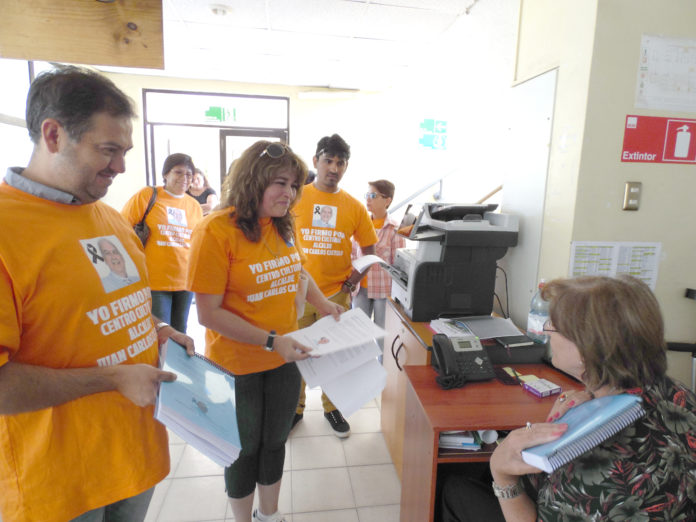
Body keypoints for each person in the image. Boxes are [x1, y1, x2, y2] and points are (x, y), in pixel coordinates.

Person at [0, 66, 194, 522]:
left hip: (133, 457)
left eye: (124, 151)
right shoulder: (7, 231)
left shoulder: (109, 219)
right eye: (108, 150)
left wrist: (159, 329)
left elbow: (110, 309)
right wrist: (111, 379)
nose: (121, 167)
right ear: (53, 135)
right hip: (59, 484)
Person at [441, 275, 696, 522]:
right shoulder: (680, 394)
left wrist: (502, 476)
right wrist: (594, 396)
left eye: (554, 326)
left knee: (455, 487)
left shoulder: (591, 466)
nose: (546, 331)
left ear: (586, 349)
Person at [187, 140, 342, 522]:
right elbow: (208, 313)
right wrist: (273, 341)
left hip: (285, 357)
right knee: (242, 448)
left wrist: (323, 304)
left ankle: (268, 515)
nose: (289, 193)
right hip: (236, 364)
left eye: (293, 185)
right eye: (280, 183)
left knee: (274, 443)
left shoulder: (283, 226)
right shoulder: (215, 231)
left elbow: (299, 271)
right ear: (253, 181)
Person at [292, 133, 378, 437]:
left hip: (336, 295)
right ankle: (296, 409)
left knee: (334, 355)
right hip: (298, 293)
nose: (334, 168)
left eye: (341, 163)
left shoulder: (353, 206)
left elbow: (369, 250)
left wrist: (354, 280)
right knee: (298, 352)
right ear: (316, 161)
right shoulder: (295, 198)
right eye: (328, 160)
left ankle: (333, 408)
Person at [122, 153, 203, 333]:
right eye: (178, 172)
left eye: (189, 175)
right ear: (166, 174)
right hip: (155, 281)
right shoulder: (148, 196)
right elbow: (122, 227)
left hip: (185, 281)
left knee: (181, 333)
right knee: (161, 334)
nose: (184, 178)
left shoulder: (194, 205)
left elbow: (197, 241)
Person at [351, 180, 405, 356]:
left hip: (383, 291)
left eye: (373, 196)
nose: (368, 199)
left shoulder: (394, 228)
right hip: (359, 288)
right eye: (367, 195)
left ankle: (384, 377)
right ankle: (363, 375)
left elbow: (399, 266)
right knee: (358, 337)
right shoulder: (360, 224)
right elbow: (352, 253)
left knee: (383, 336)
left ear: (387, 200)